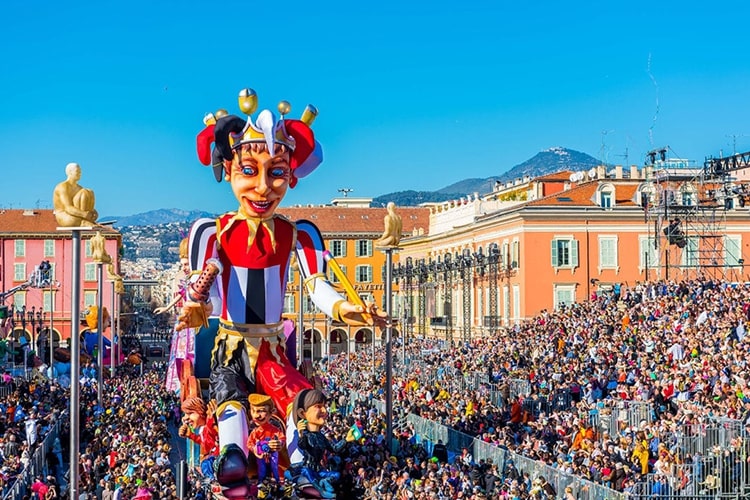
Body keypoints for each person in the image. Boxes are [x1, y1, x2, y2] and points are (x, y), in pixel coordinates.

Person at [179, 89, 387, 497]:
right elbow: (199, 288)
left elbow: (317, 286)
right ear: (229, 169)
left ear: (290, 175)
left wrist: (347, 309)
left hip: (273, 346)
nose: (262, 188)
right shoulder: (212, 231)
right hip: (233, 340)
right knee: (229, 396)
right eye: (249, 172)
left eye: (275, 173)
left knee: (298, 398)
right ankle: (234, 459)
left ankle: (298, 471)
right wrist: (195, 304)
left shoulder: (299, 233)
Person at [247, 394, 285, 485]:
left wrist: (279, 443)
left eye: (261, 411)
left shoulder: (274, 430)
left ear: (271, 412)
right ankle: (261, 482)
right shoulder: (255, 432)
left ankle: (276, 481)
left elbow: (282, 438)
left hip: (273, 455)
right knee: (262, 469)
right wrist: (255, 449)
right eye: (254, 411)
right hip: (261, 456)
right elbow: (249, 443)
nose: (256, 415)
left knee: (274, 468)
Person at [178, 397, 218, 479]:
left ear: (200, 412)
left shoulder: (208, 426)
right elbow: (204, 441)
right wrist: (191, 435)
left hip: (217, 460)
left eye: (190, 413)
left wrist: (211, 418)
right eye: (185, 414)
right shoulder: (202, 430)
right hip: (212, 460)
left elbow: (212, 429)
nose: (185, 418)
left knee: (206, 464)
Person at [52, 162, 98, 227]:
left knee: (89, 192)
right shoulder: (62, 186)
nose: (80, 173)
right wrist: (84, 214)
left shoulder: (80, 188)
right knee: (84, 192)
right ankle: (83, 222)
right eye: (77, 171)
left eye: (80, 171)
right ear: (70, 172)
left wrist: (93, 212)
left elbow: (84, 204)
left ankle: (84, 221)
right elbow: (68, 208)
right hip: (65, 216)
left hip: (78, 215)